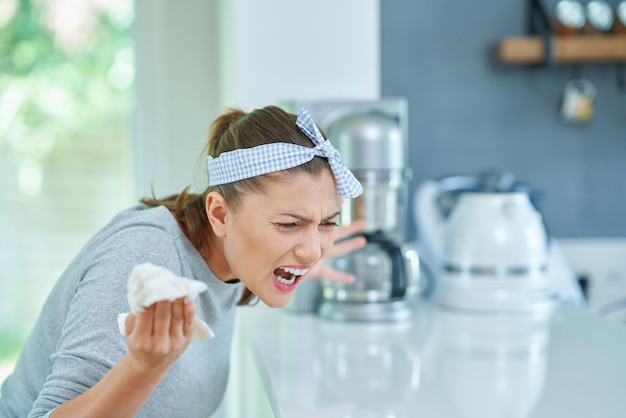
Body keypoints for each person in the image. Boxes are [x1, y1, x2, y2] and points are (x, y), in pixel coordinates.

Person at [0, 106, 366, 417]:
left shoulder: (229, 262)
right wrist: (140, 369)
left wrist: (294, 254)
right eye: (288, 224)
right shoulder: (144, 257)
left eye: (328, 223)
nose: (313, 248)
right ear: (220, 215)